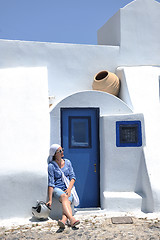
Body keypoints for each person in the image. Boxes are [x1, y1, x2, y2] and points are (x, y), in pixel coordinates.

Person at [46, 144, 80, 229]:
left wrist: (69, 189)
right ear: (54, 154)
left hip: (68, 188)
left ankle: (63, 220)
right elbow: (51, 183)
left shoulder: (67, 162)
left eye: (62, 150)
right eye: (60, 151)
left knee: (67, 201)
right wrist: (50, 200)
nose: (62, 152)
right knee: (65, 197)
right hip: (57, 189)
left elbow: (73, 177)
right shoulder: (51, 166)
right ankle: (72, 219)